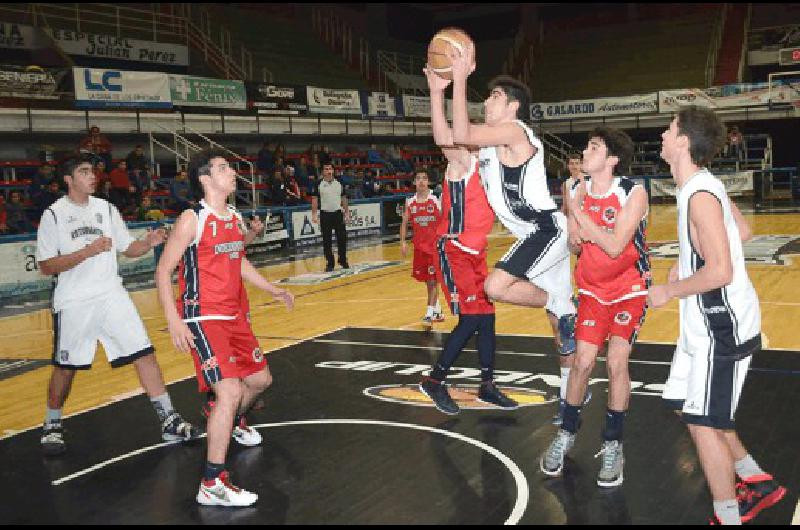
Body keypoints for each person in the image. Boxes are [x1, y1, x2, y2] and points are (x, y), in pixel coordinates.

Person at [649, 106, 786, 524]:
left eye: (669, 129)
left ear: (684, 143)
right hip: (703, 323)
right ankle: (753, 477)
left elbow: (722, 270)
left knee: (704, 419)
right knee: (680, 401)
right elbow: (741, 233)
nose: (662, 136)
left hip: (719, 325)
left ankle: (729, 514)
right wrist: (688, 262)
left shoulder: (702, 195)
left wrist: (671, 288)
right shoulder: (703, 186)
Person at [155, 148, 294, 507]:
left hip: (234, 317)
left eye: (230, 166)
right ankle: (212, 480)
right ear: (205, 179)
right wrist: (174, 320)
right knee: (230, 392)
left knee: (261, 380)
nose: (232, 172)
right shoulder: (192, 218)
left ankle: (223, 419)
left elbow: (239, 260)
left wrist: (271, 288)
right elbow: (162, 271)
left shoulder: (233, 215)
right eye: (223, 168)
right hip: (203, 317)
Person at [36, 154, 200, 457]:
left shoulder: (107, 209)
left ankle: (169, 419)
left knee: (145, 353)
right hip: (74, 302)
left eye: (92, 171)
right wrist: (88, 251)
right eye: (84, 172)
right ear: (68, 180)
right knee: (65, 368)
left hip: (112, 295)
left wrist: (148, 242)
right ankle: (52, 423)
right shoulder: (54, 215)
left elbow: (128, 248)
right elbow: (46, 266)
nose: (92, 176)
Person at [445, 46, 578, 363]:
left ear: (512, 106)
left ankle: (563, 304)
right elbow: (449, 137)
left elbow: (462, 131)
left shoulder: (516, 131)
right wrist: (438, 92)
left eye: (494, 97)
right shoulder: (490, 147)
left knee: (495, 287)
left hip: (544, 230)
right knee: (559, 329)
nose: (487, 101)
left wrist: (460, 79)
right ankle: (570, 400)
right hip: (532, 234)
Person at [540, 127, 648, 488]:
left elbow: (616, 246)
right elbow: (577, 243)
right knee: (583, 363)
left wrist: (579, 213)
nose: (585, 151)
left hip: (628, 288)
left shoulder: (633, 192)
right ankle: (566, 434)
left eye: (594, 147)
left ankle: (613, 443)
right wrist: (574, 233)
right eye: (586, 146)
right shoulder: (573, 189)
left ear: (612, 159)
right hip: (591, 290)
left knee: (617, 361)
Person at [418, 64, 518, 415]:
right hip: (453, 249)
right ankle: (434, 380)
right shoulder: (464, 160)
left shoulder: (490, 163)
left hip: (475, 254)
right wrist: (435, 92)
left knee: (487, 316)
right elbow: (444, 137)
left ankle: (487, 385)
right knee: (473, 317)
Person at [551, 152, 590, 424]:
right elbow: (566, 209)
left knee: (585, 272)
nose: (575, 167)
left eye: (578, 163)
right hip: (570, 233)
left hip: (587, 232)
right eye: (572, 163)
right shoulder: (567, 184)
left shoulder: (589, 182)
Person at [400, 169, 444, 326]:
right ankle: (438, 311)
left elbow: (447, 217)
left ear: (429, 182)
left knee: (432, 281)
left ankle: (429, 313)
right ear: (414, 182)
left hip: (435, 248)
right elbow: (405, 223)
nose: (421, 181)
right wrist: (403, 242)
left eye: (424, 178)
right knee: (428, 281)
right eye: (418, 178)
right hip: (419, 248)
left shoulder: (436, 198)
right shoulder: (410, 202)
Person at [311, 163, 350, 272]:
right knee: (326, 241)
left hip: (338, 214)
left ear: (333, 170)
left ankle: (342, 260)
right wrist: (314, 214)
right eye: (326, 169)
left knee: (342, 239)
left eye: (330, 169)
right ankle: (330, 263)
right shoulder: (318, 184)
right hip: (325, 215)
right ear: (323, 171)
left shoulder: (339, 182)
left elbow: (344, 198)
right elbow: (314, 200)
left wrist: (346, 213)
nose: (328, 171)